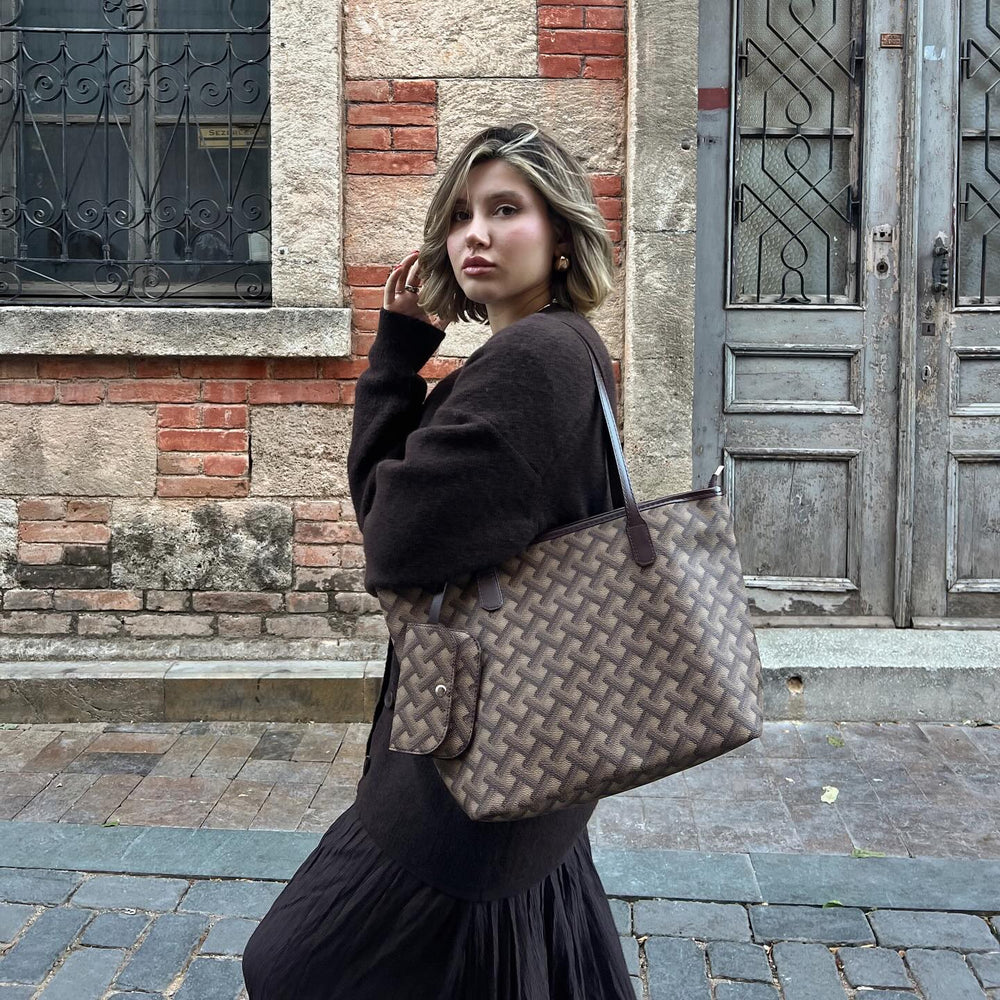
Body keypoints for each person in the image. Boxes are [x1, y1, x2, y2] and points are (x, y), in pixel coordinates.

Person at [242, 122, 634, 999]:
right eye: (459, 215)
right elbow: (413, 518)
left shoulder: (533, 361)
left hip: (468, 775)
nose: (475, 235)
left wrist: (392, 361)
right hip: (529, 756)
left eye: (505, 209)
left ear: (561, 236)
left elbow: (392, 538)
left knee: (292, 966)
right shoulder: (560, 348)